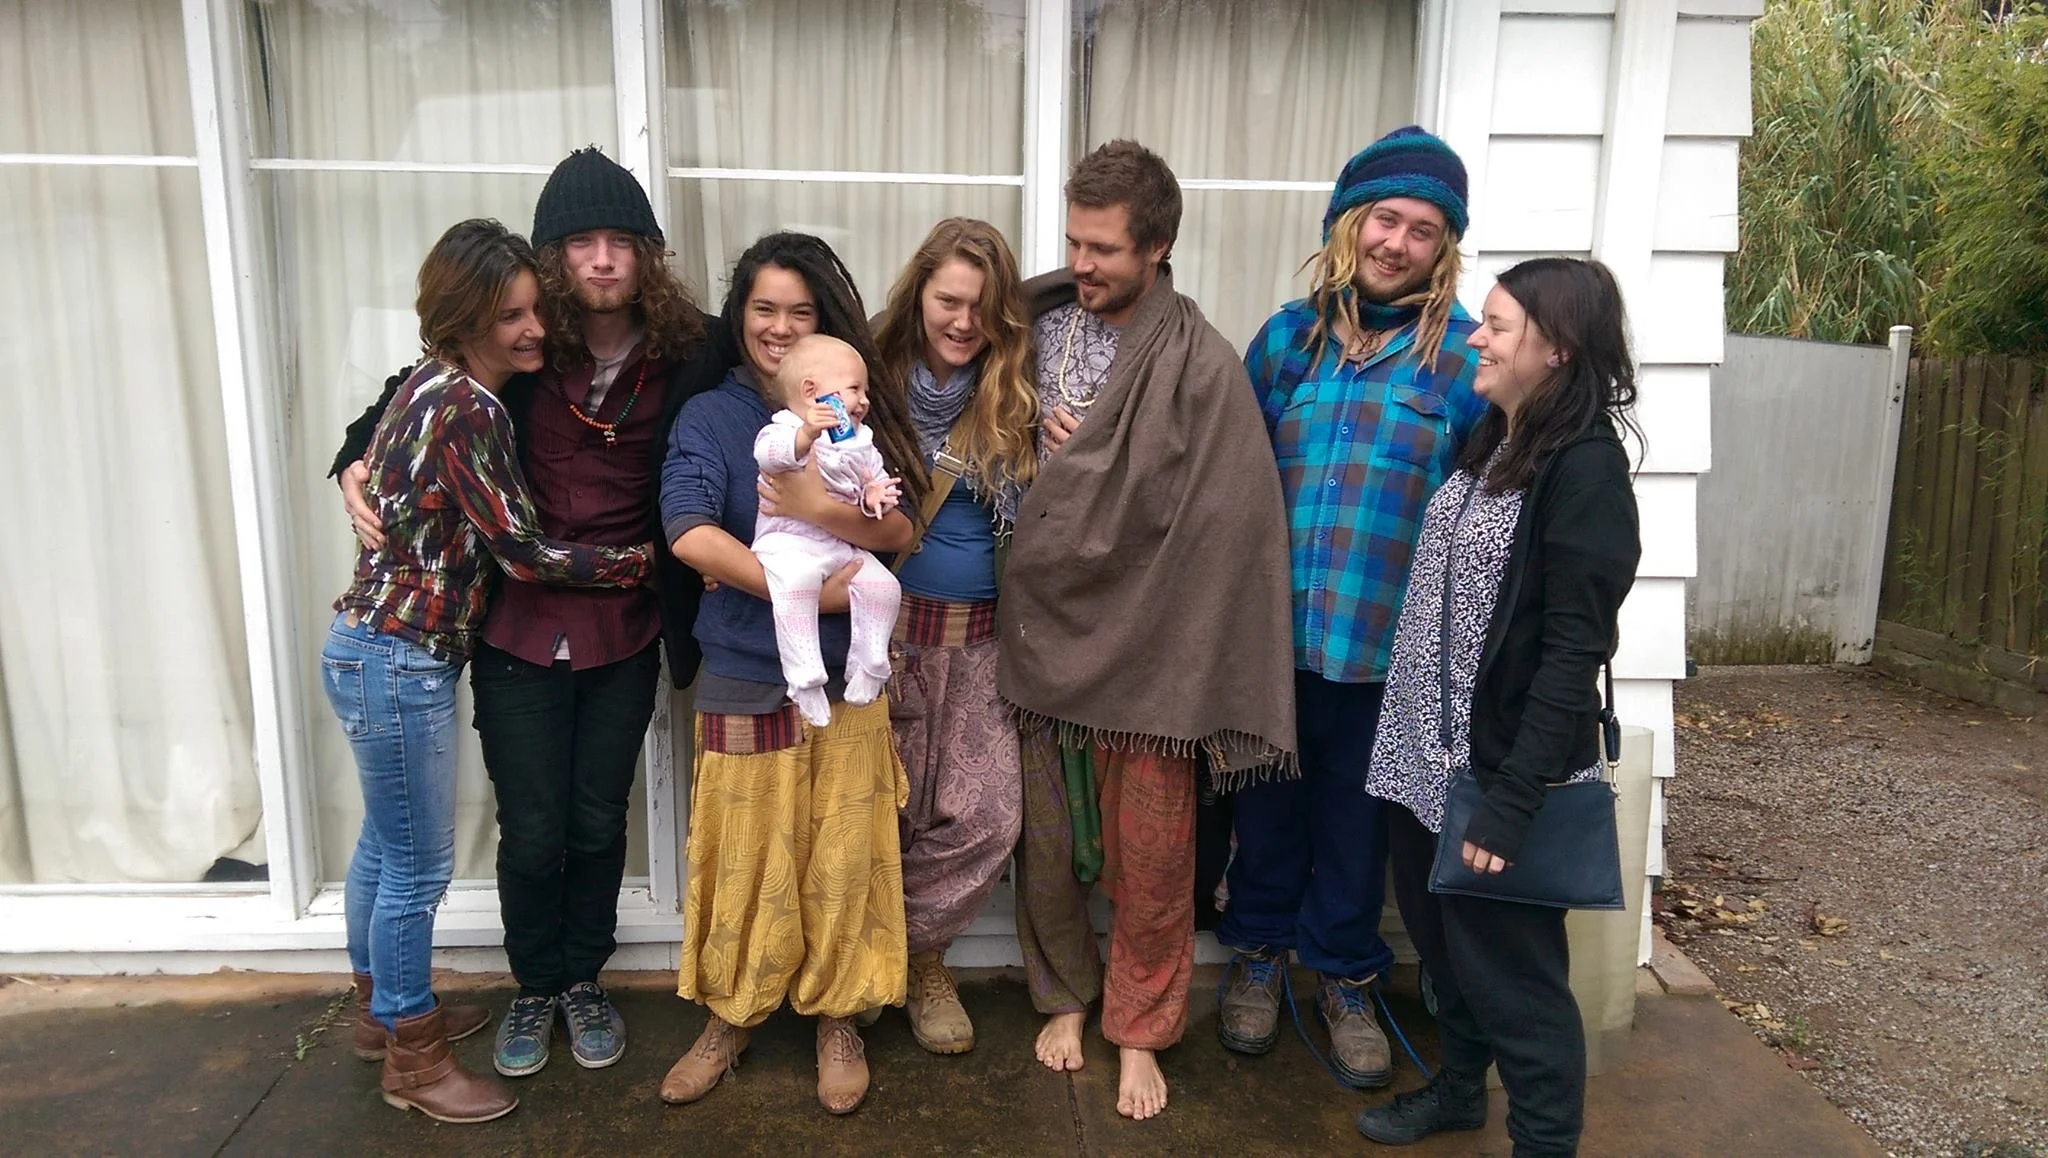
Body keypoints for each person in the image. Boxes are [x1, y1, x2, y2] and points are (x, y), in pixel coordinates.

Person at [332, 147, 721, 1079]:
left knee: (596, 822)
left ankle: (582, 979)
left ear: (647, 256)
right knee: (533, 825)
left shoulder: (692, 352)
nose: (598, 260)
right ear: (551, 259)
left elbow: (793, 355)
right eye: (578, 243)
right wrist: (349, 459)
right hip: (515, 632)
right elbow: (405, 399)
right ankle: (534, 986)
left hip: (625, 632)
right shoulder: (521, 349)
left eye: (618, 241)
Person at [1005, 141, 1297, 1122]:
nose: (1081, 264)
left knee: (1152, 854)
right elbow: (978, 451)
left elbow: (1228, 516)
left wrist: (1103, 479)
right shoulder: (1033, 332)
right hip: (1043, 632)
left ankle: (1137, 1029)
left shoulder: (1201, 365)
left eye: (1103, 249)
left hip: (1153, 652)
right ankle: (1064, 1000)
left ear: (1157, 248)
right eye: (1073, 242)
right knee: (1047, 845)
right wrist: (1053, 469)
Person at [1217, 126, 1486, 1088]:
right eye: (1385, 218)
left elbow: (1483, 507)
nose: (1398, 243)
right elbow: (1229, 474)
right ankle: (1255, 957)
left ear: (1443, 246)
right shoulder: (1288, 340)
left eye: (1423, 229)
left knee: (1355, 823)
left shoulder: (1462, 359)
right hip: (1273, 637)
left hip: (1388, 647)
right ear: (1347, 223)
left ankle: (1344, 979)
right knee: (1268, 807)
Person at [1358, 257, 1642, 1157]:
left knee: (1517, 983)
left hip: (1493, 775)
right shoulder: (1496, 439)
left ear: (1557, 349)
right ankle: (1456, 1091)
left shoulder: (1586, 470)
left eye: (1497, 326)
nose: (1474, 338)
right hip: (1420, 758)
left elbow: (1572, 651)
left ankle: (1544, 1144)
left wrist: (1515, 799)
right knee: (1446, 959)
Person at [656, 232, 926, 1116]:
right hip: (741, 663)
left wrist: (819, 518)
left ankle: (840, 1017)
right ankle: (731, 1015)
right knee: (744, 847)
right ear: (740, 317)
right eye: (764, 309)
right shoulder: (712, 417)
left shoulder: (855, 403)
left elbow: (901, 531)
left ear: (825, 323)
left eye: (799, 312)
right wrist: (802, 593)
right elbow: (691, 531)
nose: (779, 328)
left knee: (844, 846)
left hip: (851, 675)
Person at [869, 217, 1035, 1056]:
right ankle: (888, 967)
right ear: (919, 295)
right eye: (949, 301)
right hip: (881, 639)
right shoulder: (864, 387)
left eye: (981, 307)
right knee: (879, 815)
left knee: (987, 819)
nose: (964, 322)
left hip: (982, 644)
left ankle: (902, 957)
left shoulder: (1017, 396)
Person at [751, 334, 903, 726]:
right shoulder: (785, 427)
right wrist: (805, 436)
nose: (864, 400)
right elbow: (767, 455)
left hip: (838, 545)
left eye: (865, 390)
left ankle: (870, 662)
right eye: (855, 389)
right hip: (788, 542)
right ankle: (803, 678)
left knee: (885, 588)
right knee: (797, 585)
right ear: (811, 392)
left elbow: (871, 478)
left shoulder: (860, 441)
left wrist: (874, 496)